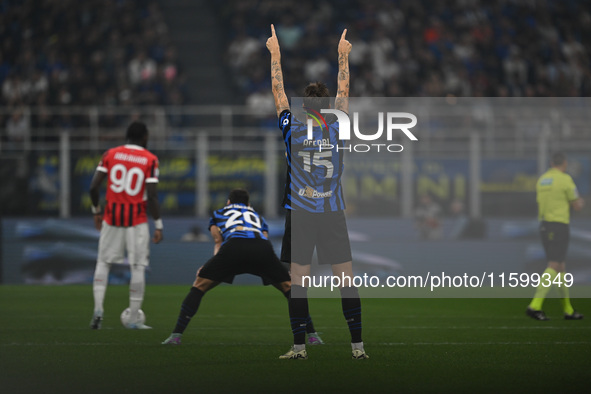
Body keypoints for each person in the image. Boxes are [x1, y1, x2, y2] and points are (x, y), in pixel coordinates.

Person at [267, 25, 368, 360]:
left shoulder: (292, 128)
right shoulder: (337, 124)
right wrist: (343, 56)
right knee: (346, 280)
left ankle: (298, 348)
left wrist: (275, 55)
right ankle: (357, 348)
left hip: (301, 212)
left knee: (299, 282)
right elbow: (345, 88)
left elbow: (278, 92)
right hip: (331, 210)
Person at [161, 189, 292, 345]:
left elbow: (218, 242)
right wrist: (276, 268)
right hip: (261, 248)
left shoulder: (218, 213)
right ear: (248, 204)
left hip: (233, 247)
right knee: (289, 288)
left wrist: (210, 266)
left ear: (228, 202)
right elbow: (264, 239)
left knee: (199, 286)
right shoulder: (257, 216)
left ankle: (176, 336)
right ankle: (312, 335)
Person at [89, 121, 163, 329]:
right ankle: (132, 319)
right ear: (145, 137)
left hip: (112, 217)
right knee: (137, 266)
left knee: (103, 262)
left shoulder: (110, 154)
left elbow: (94, 187)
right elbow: (152, 196)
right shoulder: (150, 160)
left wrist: (96, 211)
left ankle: (98, 310)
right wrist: (158, 224)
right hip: (136, 220)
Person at [526, 152, 584, 321]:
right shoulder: (565, 179)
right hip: (559, 225)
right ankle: (534, 306)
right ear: (564, 164)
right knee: (554, 265)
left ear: (551, 163)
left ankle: (568, 310)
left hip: (544, 225)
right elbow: (577, 205)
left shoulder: (542, 180)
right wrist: (580, 202)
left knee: (560, 267)